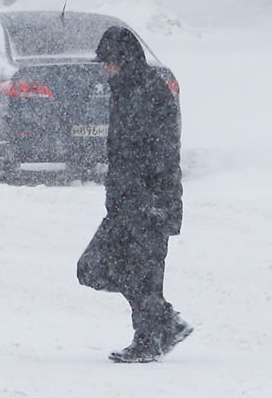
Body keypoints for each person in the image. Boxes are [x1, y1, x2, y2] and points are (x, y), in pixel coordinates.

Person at [78, 25, 190, 363]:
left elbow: (159, 153)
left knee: (142, 273)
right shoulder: (125, 90)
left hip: (149, 203)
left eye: (109, 62)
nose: (105, 69)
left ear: (124, 60)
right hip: (125, 203)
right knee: (93, 268)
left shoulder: (149, 92)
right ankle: (164, 323)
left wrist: (151, 202)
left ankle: (148, 341)